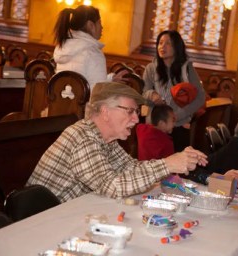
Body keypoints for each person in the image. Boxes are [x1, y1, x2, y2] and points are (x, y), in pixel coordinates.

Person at [27, 82, 207, 203]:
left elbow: (131, 168)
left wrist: (175, 162)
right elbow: (112, 187)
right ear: (105, 112)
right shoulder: (83, 137)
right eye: (130, 111)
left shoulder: (106, 139)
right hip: (40, 222)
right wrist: (168, 165)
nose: (137, 119)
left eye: (136, 112)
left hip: (71, 214)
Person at [143, 30, 206, 152]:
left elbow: (200, 97)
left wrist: (178, 115)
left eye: (168, 44)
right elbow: (143, 93)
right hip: (155, 126)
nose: (162, 47)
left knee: (178, 167)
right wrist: (151, 95)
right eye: (160, 43)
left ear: (177, 47)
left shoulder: (186, 69)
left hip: (178, 127)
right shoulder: (151, 68)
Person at [53, 5, 127, 89]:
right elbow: (98, 93)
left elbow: (85, 81)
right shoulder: (93, 53)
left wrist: (110, 80)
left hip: (60, 101)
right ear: (91, 25)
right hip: (85, 102)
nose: (102, 27)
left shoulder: (62, 47)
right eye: (99, 22)